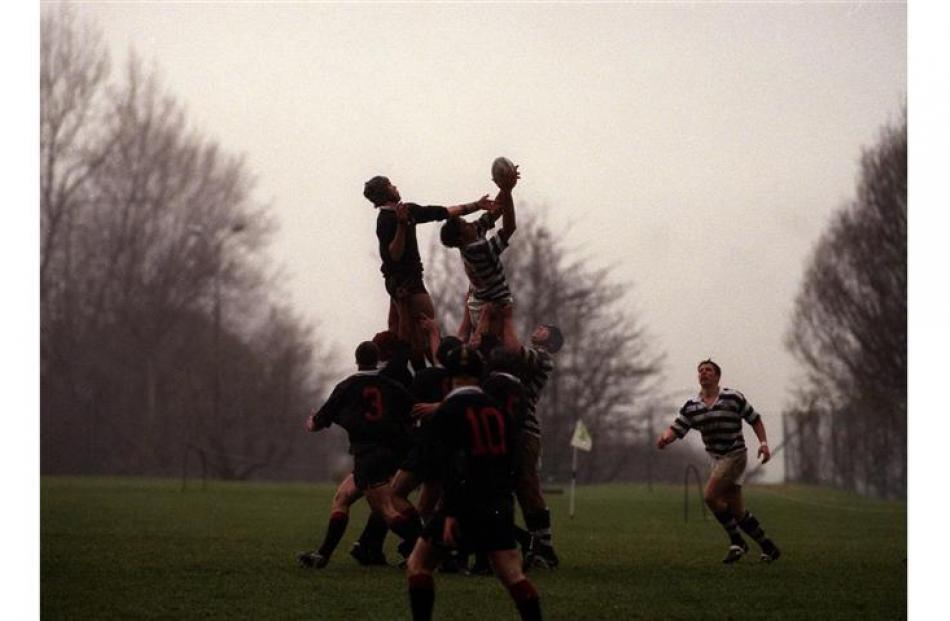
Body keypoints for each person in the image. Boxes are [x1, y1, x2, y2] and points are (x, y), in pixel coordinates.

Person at [405, 345, 542, 621]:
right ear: (481, 374)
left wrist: (451, 513)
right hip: (498, 502)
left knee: (418, 565)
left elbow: (451, 467)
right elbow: (511, 461)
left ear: (449, 376)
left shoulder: (446, 412)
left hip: (462, 502)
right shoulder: (498, 410)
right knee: (513, 575)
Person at [297, 341, 422, 568]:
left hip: (368, 455)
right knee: (342, 498)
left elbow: (319, 422)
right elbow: (413, 411)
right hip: (389, 455)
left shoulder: (347, 387)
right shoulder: (391, 386)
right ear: (377, 361)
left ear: (357, 360)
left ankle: (426, 547)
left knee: (386, 510)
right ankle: (322, 555)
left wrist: (311, 422)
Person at [656, 359, 781, 564]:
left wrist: (764, 444)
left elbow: (755, 419)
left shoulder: (733, 397)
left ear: (717, 376)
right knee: (737, 511)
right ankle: (769, 547)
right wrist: (665, 438)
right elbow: (677, 428)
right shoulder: (692, 407)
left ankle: (737, 542)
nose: (703, 373)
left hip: (735, 455)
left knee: (710, 496)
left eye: (708, 370)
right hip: (716, 458)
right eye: (700, 371)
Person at [364, 176, 494, 368]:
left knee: (413, 336)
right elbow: (395, 255)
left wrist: (477, 205)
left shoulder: (408, 211)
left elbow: (442, 212)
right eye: (391, 185)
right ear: (385, 193)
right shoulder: (386, 220)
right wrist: (401, 226)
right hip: (406, 284)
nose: (396, 186)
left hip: (403, 282)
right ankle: (440, 372)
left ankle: (423, 374)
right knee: (425, 330)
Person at [440, 164, 520, 351]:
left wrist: (504, 188)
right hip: (492, 305)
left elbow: (496, 211)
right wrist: (507, 190)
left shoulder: (470, 235)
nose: (469, 223)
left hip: (481, 300)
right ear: (461, 237)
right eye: (464, 223)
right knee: (495, 350)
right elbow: (509, 228)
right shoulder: (477, 251)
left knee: (489, 347)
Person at [512, 323, 564, 570]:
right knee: (522, 490)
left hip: (525, 431)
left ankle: (544, 548)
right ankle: (538, 546)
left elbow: (513, 349)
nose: (538, 328)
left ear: (552, 342)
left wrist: (505, 316)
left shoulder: (543, 358)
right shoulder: (530, 356)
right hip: (512, 430)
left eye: (545, 329)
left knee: (528, 489)